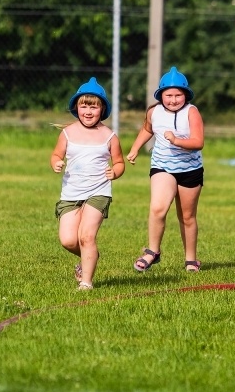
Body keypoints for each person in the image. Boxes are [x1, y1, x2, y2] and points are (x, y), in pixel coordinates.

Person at [127, 67, 205, 272]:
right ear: (160, 95)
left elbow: (198, 142)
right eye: (168, 95)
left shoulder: (192, 112)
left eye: (178, 95)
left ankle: (191, 259)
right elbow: (147, 129)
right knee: (158, 208)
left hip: (190, 169)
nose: (173, 99)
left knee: (187, 217)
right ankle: (152, 251)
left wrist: (177, 140)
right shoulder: (154, 111)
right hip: (162, 166)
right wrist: (135, 148)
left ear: (185, 95)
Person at [50, 77, 125, 290]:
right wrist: (56, 162)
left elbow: (119, 162)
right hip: (71, 192)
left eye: (94, 106)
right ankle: (90, 255)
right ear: (77, 107)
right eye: (84, 105)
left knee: (87, 236)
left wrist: (115, 171)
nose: (89, 111)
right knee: (68, 240)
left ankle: (86, 283)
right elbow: (56, 154)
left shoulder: (109, 136)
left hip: (99, 191)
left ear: (102, 109)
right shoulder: (68, 133)